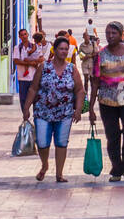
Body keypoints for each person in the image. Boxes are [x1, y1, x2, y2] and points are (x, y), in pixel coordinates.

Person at [87, 21, 124, 182]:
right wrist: (91, 107)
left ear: (121, 34)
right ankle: (116, 168)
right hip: (107, 100)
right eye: (108, 33)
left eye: (114, 33)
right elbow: (95, 82)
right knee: (112, 135)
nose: (110, 36)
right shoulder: (100, 54)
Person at [22, 36, 85, 183]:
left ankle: (59, 174)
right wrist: (26, 108)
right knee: (42, 142)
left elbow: (79, 90)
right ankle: (45, 165)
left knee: (61, 142)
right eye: (61, 49)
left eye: (65, 49)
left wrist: (78, 110)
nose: (63, 52)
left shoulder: (72, 69)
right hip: (43, 112)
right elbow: (33, 88)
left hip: (65, 113)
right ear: (54, 50)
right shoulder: (44, 67)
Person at [12, 28, 45, 116]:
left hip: (34, 77)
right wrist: (31, 63)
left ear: (28, 35)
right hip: (22, 78)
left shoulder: (35, 47)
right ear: (19, 37)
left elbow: (42, 59)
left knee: (35, 99)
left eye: (25, 34)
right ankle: (26, 116)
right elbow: (16, 61)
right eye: (22, 35)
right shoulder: (17, 48)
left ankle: (36, 118)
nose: (24, 36)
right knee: (23, 99)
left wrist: (33, 62)